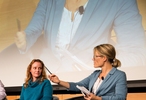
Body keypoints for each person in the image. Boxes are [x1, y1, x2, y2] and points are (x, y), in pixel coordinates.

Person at [15, 0, 146, 71]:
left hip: (90, 85)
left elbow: (137, 52)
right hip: (51, 80)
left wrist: (100, 70)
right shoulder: (48, 2)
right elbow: (32, 31)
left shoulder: (119, 2)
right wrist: (24, 40)